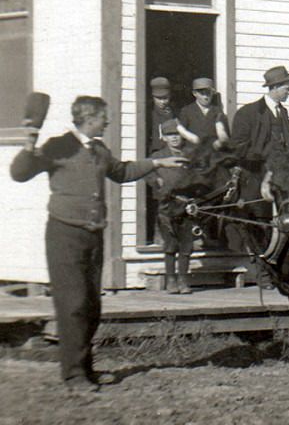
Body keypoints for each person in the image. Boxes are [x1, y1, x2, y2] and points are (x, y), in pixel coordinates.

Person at [10, 96, 186, 392]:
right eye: (104, 117)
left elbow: (121, 172)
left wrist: (157, 162)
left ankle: (86, 370)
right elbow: (20, 173)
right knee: (72, 304)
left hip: (93, 236)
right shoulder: (58, 145)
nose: (108, 121)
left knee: (91, 306)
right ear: (89, 118)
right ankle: (73, 375)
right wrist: (28, 145)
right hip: (64, 235)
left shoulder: (100, 149)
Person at [230, 66, 289, 286]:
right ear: (275, 88)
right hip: (255, 178)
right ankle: (264, 275)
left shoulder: (283, 113)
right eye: (287, 87)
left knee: (284, 224)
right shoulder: (248, 113)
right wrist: (265, 157)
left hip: (281, 181)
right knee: (260, 227)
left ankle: (280, 272)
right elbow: (238, 149)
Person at [148, 119, 195, 294]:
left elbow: (199, 178)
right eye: (170, 135)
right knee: (170, 245)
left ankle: (183, 281)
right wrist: (157, 181)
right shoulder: (158, 157)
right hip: (166, 206)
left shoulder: (189, 155)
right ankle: (171, 281)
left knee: (186, 245)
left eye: (177, 134)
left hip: (186, 206)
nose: (174, 138)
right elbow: (148, 174)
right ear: (164, 138)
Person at [177, 77, 230, 145]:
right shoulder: (187, 111)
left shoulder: (218, 112)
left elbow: (226, 136)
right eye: (202, 94)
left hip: (213, 151)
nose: (205, 97)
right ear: (194, 93)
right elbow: (181, 135)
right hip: (192, 151)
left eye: (208, 93)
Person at [147, 76, 175, 155]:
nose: (162, 102)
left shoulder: (174, 112)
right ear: (153, 97)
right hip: (155, 152)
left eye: (165, 98)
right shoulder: (149, 113)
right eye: (159, 98)